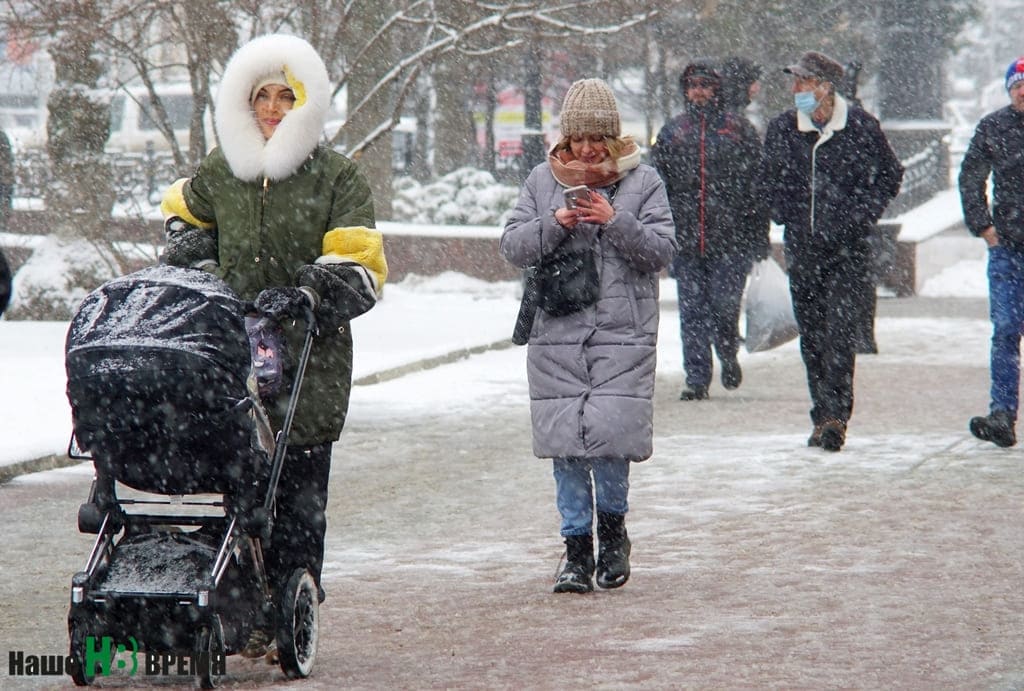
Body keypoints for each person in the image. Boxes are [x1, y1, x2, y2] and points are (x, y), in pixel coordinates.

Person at [159, 33, 387, 624]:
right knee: (237, 486)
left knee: (300, 494)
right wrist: (204, 271)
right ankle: (234, 601)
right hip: (229, 356)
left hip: (309, 361)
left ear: (305, 103)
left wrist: (311, 290)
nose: (271, 108)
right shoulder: (219, 170)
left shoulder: (336, 178)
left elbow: (360, 263)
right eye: (261, 95)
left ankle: (293, 598)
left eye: (286, 96)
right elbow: (182, 225)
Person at [500, 78, 677, 594]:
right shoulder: (541, 180)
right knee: (566, 445)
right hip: (557, 332)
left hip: (624, 333)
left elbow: (662, 251)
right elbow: (512, 245)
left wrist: (615, 221)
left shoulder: (644, 182)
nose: (588, 149)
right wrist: (554, 222)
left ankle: (614, 534)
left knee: (609, 439)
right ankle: (576, 551)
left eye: (597, 137)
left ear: (614, 135)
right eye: (578, 138)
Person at [762, 50, 902, 451]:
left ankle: (835, 417)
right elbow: (766, 177)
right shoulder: (783, 128)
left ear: (825, 87)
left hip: (848, 250)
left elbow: (890, 174)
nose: (796, 90)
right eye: (795, 82)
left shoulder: (858, 125)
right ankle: (821, 411)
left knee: (840, 336)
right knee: (813, 336)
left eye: (803, 82)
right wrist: (781, 209)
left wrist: (862, 214)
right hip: (803, 248)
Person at [651, 59, 769, 401]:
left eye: (705, 85)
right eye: (693, 86)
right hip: (686, 240)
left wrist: (757, 234)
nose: (699, 91)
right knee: (692, 310)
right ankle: (697, 378)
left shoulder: (738, 130)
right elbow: (658, 185)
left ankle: (728, 351)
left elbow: (756, 187)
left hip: (731, 240)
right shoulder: (674, 132)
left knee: (724, 304)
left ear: (716, 90)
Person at [959, 56, 1024, 448]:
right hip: (1009, 249)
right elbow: (971, 175)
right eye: (1017, 85)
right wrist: (984, 226)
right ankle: (1002, 414)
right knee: (1006, 330)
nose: (1023, 91)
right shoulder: (995, 127)